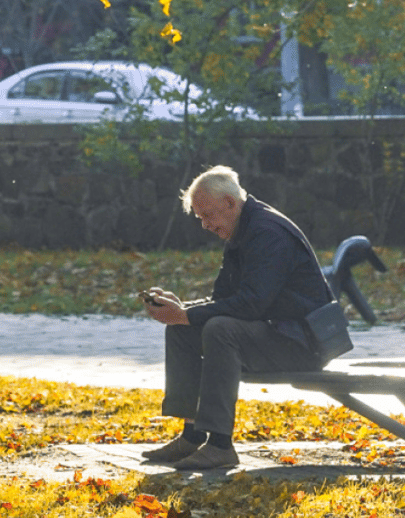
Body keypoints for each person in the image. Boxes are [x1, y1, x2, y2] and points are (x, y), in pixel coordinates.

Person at [139, 165, 333, 470]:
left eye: (207, 215)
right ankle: (192, 435)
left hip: (301, 343)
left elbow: (252, 304)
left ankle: (219, 444)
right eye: (200, 217)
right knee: (181, 329)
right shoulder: (242, 230)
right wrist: (182, 310)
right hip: (274, 332)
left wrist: (189, 314)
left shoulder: (267, 232)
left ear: (230, 203)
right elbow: (224, 301)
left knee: (219, 329)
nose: (204, 225)